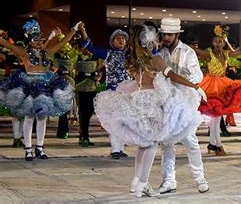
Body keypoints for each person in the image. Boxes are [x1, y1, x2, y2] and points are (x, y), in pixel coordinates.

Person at [94, 24, 206, 197]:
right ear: (150, 41)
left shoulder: (137, 58)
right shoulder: (155, 58)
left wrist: (191, 84)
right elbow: (171, 75)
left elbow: (189, 74)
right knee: (153, 144)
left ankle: (138, 182)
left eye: (168, 35)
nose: (163, 39)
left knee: (147, 144)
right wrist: (195, 87)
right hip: (153, 103)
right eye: (160, 36)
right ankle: (147, 184)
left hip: (143, 100)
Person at [0, 19, 79, 160]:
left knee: (42, 117)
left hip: (44, 86)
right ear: (30, 40)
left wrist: (74, 29)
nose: (40, 42)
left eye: (41, 39)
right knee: (29, 117)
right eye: (36, 39)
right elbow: (4, 42)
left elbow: (63, 42)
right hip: (29, 85)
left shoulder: (46, 52)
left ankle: (40, 148)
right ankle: (28, 149)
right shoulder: (22, 51)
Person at [154, 18, 210, 194]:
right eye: (164, 34)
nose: (166, 37)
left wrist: (188, 84)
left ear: (177, 34)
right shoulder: (160, 52)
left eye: (170, 34)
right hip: (165, 101)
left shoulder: (188, 52)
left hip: (185, 100)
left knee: (190, 140)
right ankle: (169, 180)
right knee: (166, 142)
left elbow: (197, 75)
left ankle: (200, 177)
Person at [193, 25, 241, 156]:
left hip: (223, 85)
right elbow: (195, 50)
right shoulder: (208, 53)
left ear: (223, 42)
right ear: (212, 42)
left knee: (216, 118)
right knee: (215, 119)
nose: (218, 44)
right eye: (215, 41)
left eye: (220, 41)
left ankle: (213, 144)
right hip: (210, 86)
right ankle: (217, 145)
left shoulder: (226, 54)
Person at [79, 24, 131, 159]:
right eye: (118, 38)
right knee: (114, 122)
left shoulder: (130, 55)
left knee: (124, 122)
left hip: (128, 93)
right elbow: (91, 47)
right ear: (112, 42)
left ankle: (120, 148)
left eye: (123, 38)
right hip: (113, 93)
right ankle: (115, 149)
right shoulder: (108, 53)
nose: (121, 40)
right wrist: (83, 31)